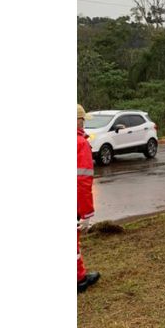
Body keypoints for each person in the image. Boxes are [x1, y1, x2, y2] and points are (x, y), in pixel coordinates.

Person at [77, 104, 100, 293]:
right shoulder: (80, 143)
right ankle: (79, 279)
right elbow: (83, 180)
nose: (83, 123)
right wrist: (87, 213)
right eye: (82, 119)